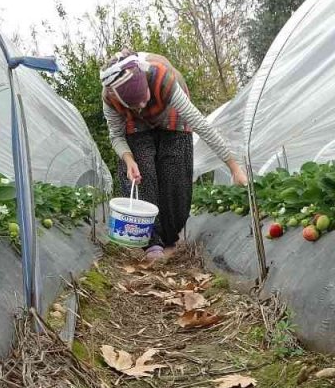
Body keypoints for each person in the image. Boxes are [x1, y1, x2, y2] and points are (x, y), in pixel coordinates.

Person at [100, 51, 248, 261]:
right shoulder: (110, 97)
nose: (142, 107)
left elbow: (201, 125)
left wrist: (234, 168)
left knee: (175, 175)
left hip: (170, 113)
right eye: (135, 105)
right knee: (143, 173)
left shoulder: (163, 80)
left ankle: (169, 240)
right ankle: (150, 243)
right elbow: (115, 135)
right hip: (134, 125)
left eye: (144, 100)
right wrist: (129, 159)